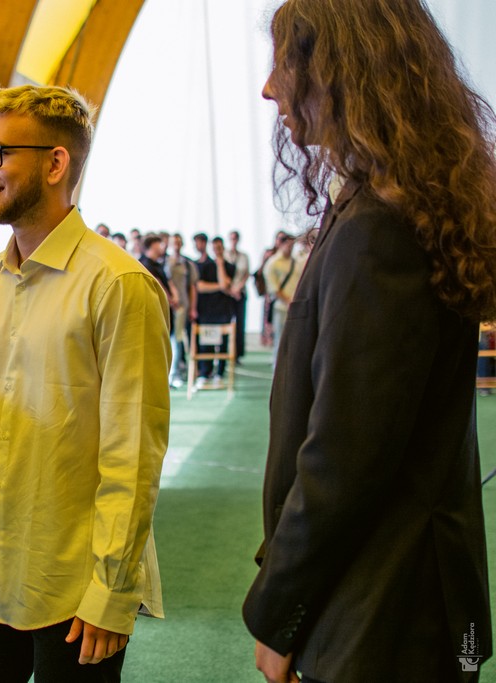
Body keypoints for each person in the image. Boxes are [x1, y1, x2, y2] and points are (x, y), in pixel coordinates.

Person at [244, 1, 496, 681]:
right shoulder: (391, 204)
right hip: (397, 610)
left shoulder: (381, 227)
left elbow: (344, 460)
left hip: (383, 618)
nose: (269, 87)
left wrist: (279, 612)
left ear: (340, 70)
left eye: (286, 63)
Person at [0, 83, 170, 682]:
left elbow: (132, 456)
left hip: (73, 585)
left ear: (55, 163)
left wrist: (113, 589)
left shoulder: (118, 285)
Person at [193, 234, 235, 386]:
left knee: (223, 343)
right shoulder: (204, 265)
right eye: (215, 248)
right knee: (206, 343)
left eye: (219, 248)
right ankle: (205, 372)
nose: (217, 250)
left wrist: (220, 264)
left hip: (223, 311)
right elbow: (200, 286)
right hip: (206, 310)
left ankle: (220, 373)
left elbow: (226, 284)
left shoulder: (229, 266)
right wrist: (220, 287)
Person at [261, 233, 302, 366]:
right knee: (280, 340)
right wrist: (287, 300)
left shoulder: (296, 262)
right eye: (288, 245)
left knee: (295, 341)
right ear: (281, 244)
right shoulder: (273, 263)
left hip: (296, 307)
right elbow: (273, 288)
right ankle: (277, 370)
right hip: (280, 306)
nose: (290, 248)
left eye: (292, 245)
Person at [166, 233, 198, 387]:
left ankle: (175, 373)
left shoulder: (187, 264)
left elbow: (192, 287)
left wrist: (193, 308)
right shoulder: (164, 262)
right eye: (174, 242)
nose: (176, 245)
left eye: (179, 242)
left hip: (181, 307)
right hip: (168, 306)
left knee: (177, 339)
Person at [225, 230, 250, 361]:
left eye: (235, 238)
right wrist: (231, 290)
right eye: (232, 238)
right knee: (227, 323)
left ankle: (237, 354)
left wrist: (238, 289)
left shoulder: (244, 256)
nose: (233, 241)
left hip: (240, 293)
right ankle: (226, 352)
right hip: (228, 294)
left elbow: (246, 274)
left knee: (240, 324)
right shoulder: (225, 255)